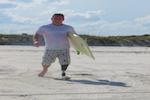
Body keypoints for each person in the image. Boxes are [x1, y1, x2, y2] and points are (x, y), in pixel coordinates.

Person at [33, 13, 76, 80]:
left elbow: (75, 37)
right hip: (50, 48)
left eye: (60, 19)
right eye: (55, 18)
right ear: (51, 19)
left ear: (63, 20)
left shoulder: (68, 28)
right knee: (46, 62)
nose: (57, 20)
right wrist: (36, 41)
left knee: (65, 62)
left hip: (64, 48)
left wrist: (80, 45)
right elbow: (37, 34)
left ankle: (63, 74)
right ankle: (44, 70)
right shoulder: (45, 27)